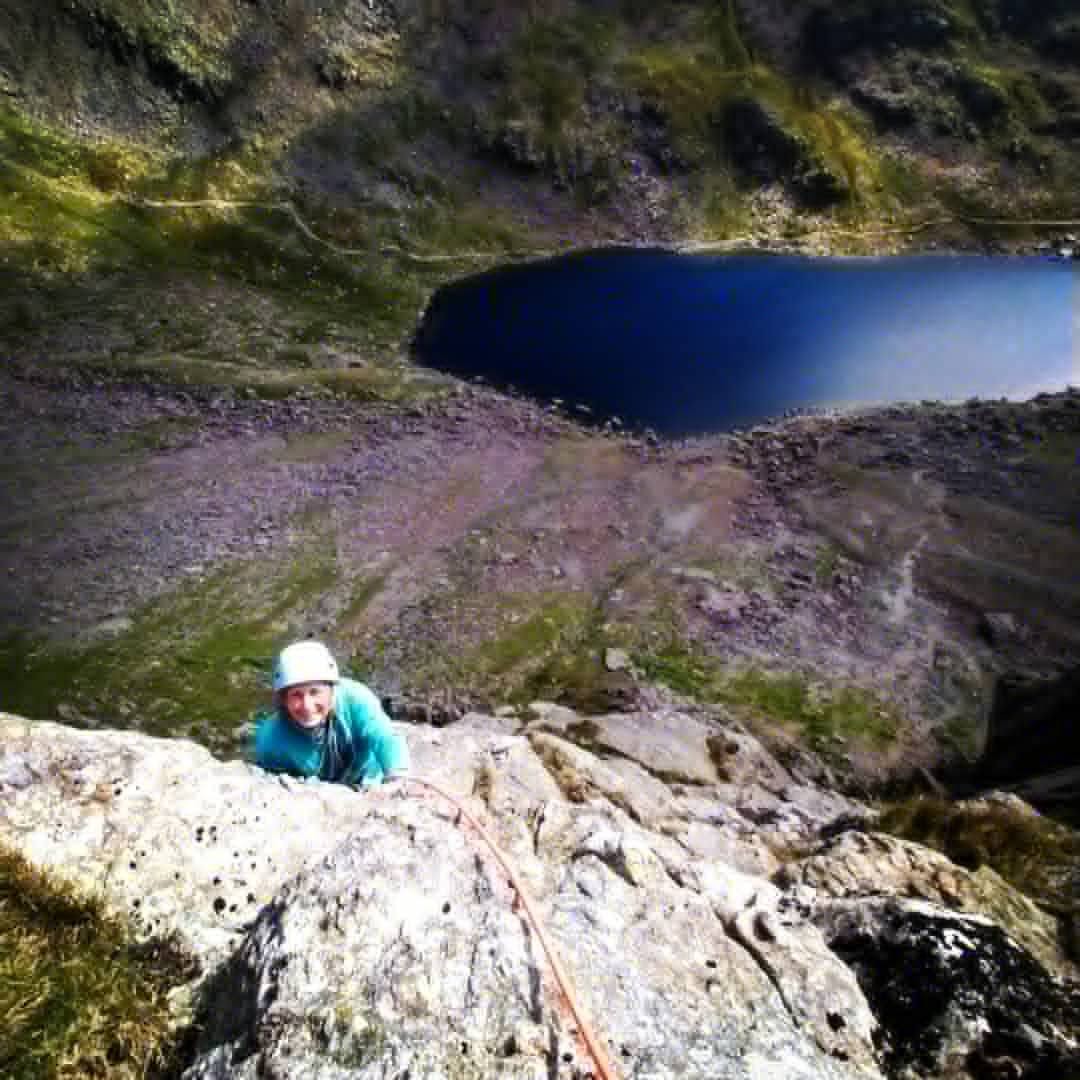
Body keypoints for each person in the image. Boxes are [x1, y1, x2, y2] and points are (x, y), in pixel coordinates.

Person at [254, 640, 409, 788]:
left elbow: (384, 736)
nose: (307, 706)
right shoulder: (271, 739)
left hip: (369, 781)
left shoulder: (356, 699)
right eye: (296, 695)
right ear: (284, 699)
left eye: (314, 692)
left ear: (331, 690)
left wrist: (397, 777)